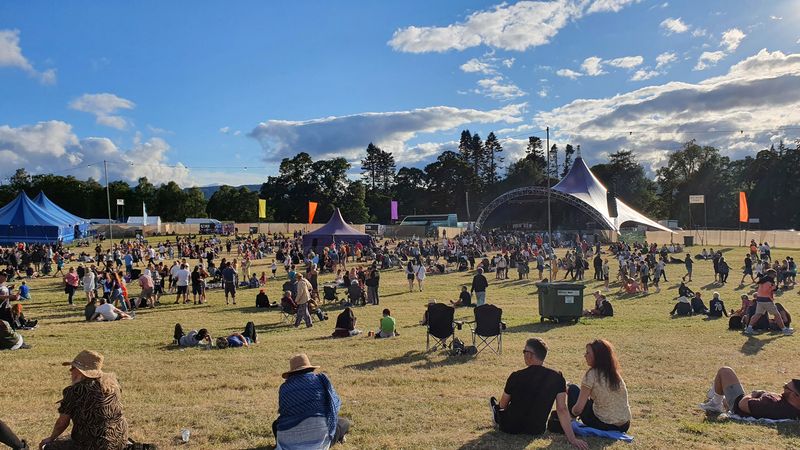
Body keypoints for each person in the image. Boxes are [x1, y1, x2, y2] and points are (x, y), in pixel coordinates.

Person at [489, 338, 588, 450]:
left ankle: (495, 413)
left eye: (524, 351)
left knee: (498, 407)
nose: (523, 354)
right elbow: (562, 409)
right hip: (536, 429)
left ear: (530, 355)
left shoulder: (516, 376)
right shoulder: (557, 377)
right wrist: (572, 439)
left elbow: (503, 405)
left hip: (510, 427)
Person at [38, 350, 128, 450]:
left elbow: (62, 423)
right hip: (119, 441)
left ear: (80, 371)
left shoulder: (74, 391)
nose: (70, 371)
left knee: (49, 447)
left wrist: (51, 438)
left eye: (73, 368)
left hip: (93, 445)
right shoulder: (112, 385)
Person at [273, 354, 350, 449]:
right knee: (345, 423)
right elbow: (335, 405)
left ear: (291, 372)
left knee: (276, 424)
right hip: (319, 440)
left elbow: (284, 412)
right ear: (310, 369)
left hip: (288, 442)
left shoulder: (284, 387)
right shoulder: (320, 381)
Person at [568, 340, 631, 432]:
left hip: (604, 424)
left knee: (573, 389)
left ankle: (571, 422)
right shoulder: (614, 373)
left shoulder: (591, 374)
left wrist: (570, 414)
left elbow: (578, 409)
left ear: (597, 356)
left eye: (588, 353)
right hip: (624, 425)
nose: (585, 355)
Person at [699, 366, 800, 419]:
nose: (783, 388)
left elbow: (742, 404)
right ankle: (714, 394)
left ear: (795, 395)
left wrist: (754, 393)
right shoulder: (791, 406)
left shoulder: (773, 405)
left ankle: (715, 403)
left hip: (737, 405)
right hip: (747, 403)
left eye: (786, 387)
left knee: (725, 371)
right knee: (723, 395)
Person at [745, 269, 793, 336]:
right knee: (777, 314)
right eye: (774, 274)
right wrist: (776, 286)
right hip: (766, 300)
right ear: (771, 274)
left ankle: (749, 328)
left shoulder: (763, 280)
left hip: (759, 300)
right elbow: (772, 289)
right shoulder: (769, 281)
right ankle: (784, 330)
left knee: (758, 314)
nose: (775, 276)